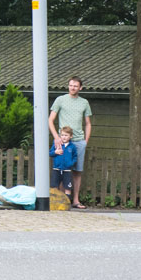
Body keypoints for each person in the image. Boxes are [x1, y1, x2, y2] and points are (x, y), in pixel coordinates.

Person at [49, 76, 92, 209]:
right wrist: (56, 137)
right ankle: (61, 200)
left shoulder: (84, 102)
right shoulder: (60, 100)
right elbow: (50, 120)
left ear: (80, 88)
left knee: (77, 171)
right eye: (70, 85)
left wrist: (85, 141)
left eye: (75, 86)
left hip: (78, 141)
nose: (72, 88)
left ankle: (75, 200)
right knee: (62, 169)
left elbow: (88, 123)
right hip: (63, 140)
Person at [51, 126, 77, 197]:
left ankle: (67, 203)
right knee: (54, 187)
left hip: (67, 170)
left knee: (67, 188)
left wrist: (71, 163)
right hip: (56, 169)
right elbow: (50, 153)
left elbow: (75, 157)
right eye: (62, 135)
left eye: (66, 135)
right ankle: (54, 203)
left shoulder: (72, 147)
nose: (64, 137)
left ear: (71, 136)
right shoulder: (57, 144)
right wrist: (55, 152)